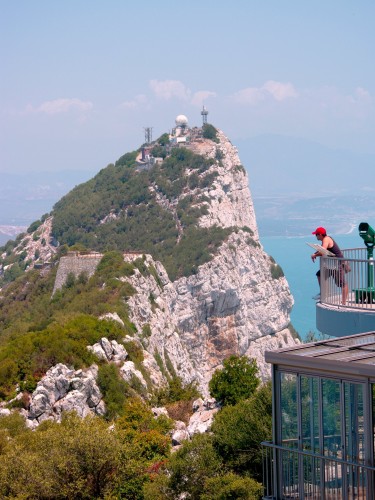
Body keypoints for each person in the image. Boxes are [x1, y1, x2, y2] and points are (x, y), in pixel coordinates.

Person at [310, 226, 348, 305]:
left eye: (316, 234)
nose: (315, 236)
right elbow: (321, 249)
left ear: (320, 234)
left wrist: (314, 255)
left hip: (338, 263)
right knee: (319, 274)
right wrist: (316, 253)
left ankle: (344, 302)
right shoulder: (325, 240)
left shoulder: (326, 239)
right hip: (331, 264)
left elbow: (323, 251)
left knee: (341, 283)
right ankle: (323, 293)